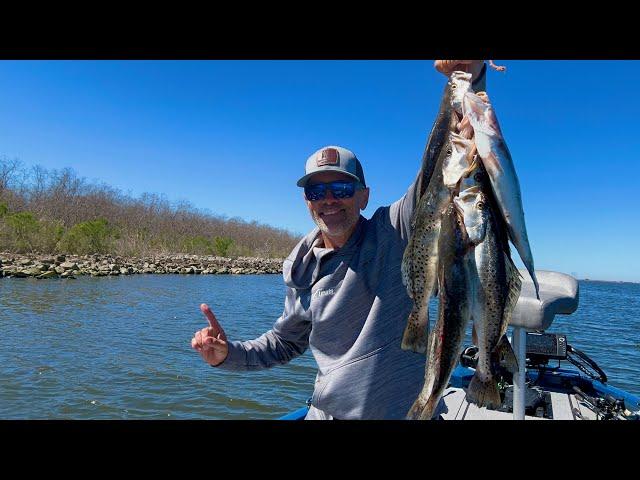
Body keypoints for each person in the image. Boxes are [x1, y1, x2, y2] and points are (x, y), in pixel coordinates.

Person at [191, 60, 488, 419]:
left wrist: (464, 79)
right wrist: (227, 355)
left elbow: (439, 167)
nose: (329, 199)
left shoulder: (395, 231)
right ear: (307, 201)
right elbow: (285, 342)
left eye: (342, 188)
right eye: (317, 191)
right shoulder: (300, 268)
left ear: (363, 196)